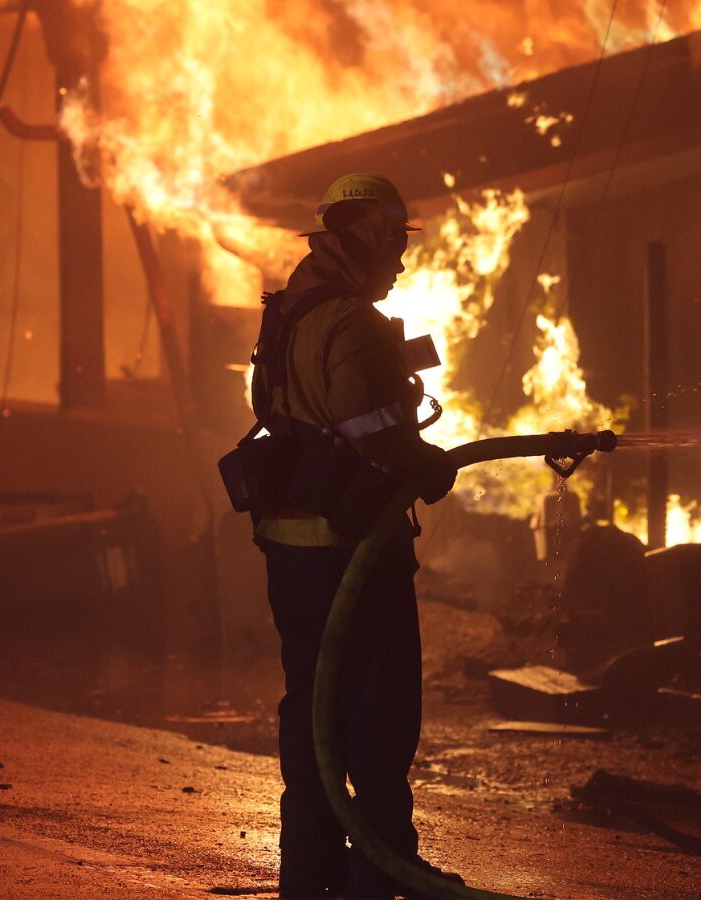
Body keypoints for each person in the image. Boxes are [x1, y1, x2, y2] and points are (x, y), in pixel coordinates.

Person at [243, 174, 460, 898]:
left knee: (313, 703)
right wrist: (429, 465)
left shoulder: (289, 313)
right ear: (366, 236)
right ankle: (382, 862)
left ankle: (309, 865)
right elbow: (373, 435)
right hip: (351, 552)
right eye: (394, 242)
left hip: (291, 546)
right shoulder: (353, 324)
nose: (400, 260)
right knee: (379, 707)